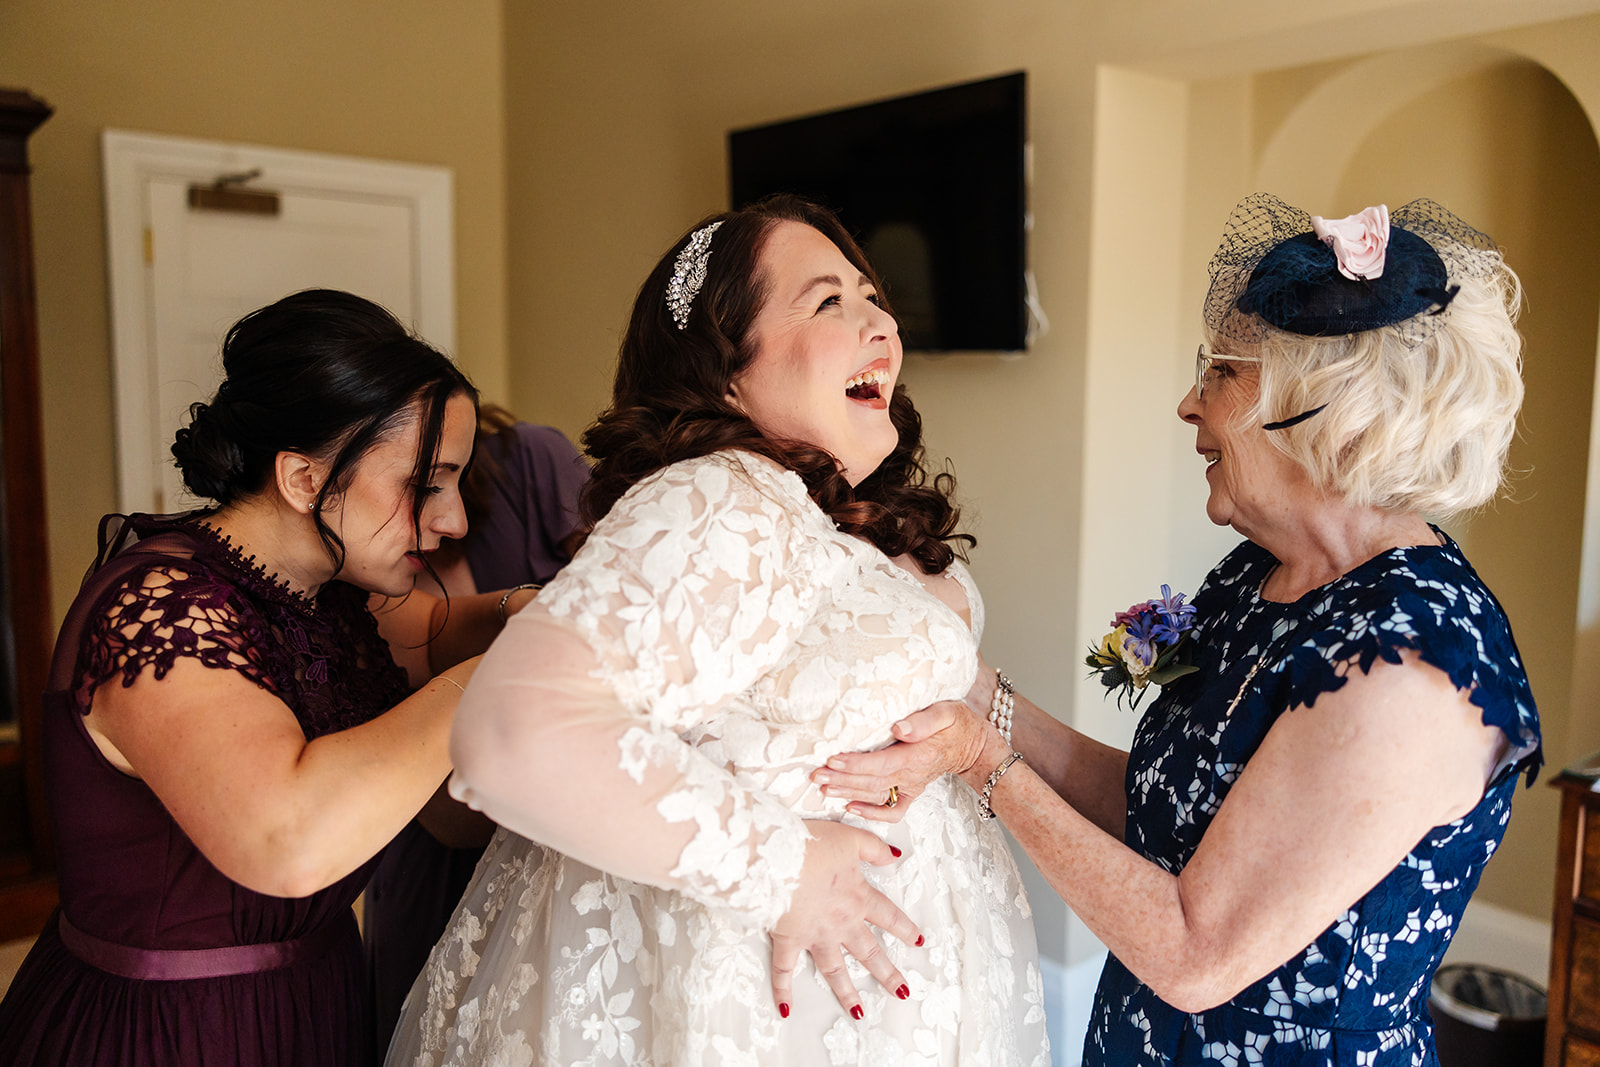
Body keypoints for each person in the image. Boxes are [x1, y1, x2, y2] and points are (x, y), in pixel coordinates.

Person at [819, 196, 1542, 1065]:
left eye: (1221, 372)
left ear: (1324, 405)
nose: (1188, 404)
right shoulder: (1254, 574)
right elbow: (1160, 809)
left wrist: (980, 758)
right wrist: (961, 677)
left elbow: (1198, 953)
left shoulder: (1417, 665)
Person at [385, 196, 1050, 1066]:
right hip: (739, 1007)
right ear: (724, 373)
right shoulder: (721, 494)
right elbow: (512, 732)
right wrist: (786, 866)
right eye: (826, 302)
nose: (878, 323)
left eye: (871, 294)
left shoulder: (831, 514)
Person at [0, 289, 539, 1066]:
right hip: (166, 1030)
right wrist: (511, 666)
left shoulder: (338, 594)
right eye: (426, 484)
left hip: (315, 1002)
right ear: (302, 479)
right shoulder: (157, 610)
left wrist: (542, 609)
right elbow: (286, 839)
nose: (453, 520)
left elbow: (432, 631)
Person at [363, 403, 590, 1048]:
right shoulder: (361, 570)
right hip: (438, 859)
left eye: (452, 475)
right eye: (425, 483)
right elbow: (452, 817)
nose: (451, 514)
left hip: (573, 860)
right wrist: (528, 658)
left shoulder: (533, 465)